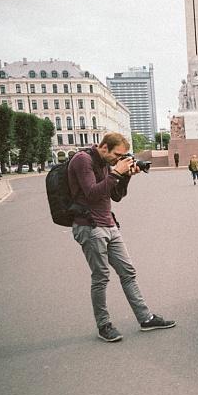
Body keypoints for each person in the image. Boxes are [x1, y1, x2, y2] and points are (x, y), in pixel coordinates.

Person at [67, 132, 175, 342]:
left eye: (122, 156)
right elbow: (91, 193)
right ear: (104, 147)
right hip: (89, 226)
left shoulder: (108, 163)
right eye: (117, 154)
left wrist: (125, 177)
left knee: (128, 272)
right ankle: (104, 325)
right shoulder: (83, 160)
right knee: (101, 277)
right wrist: (116, 172)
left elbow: (116, 196)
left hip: (109, 224)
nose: (119, 159)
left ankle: (146, 318)